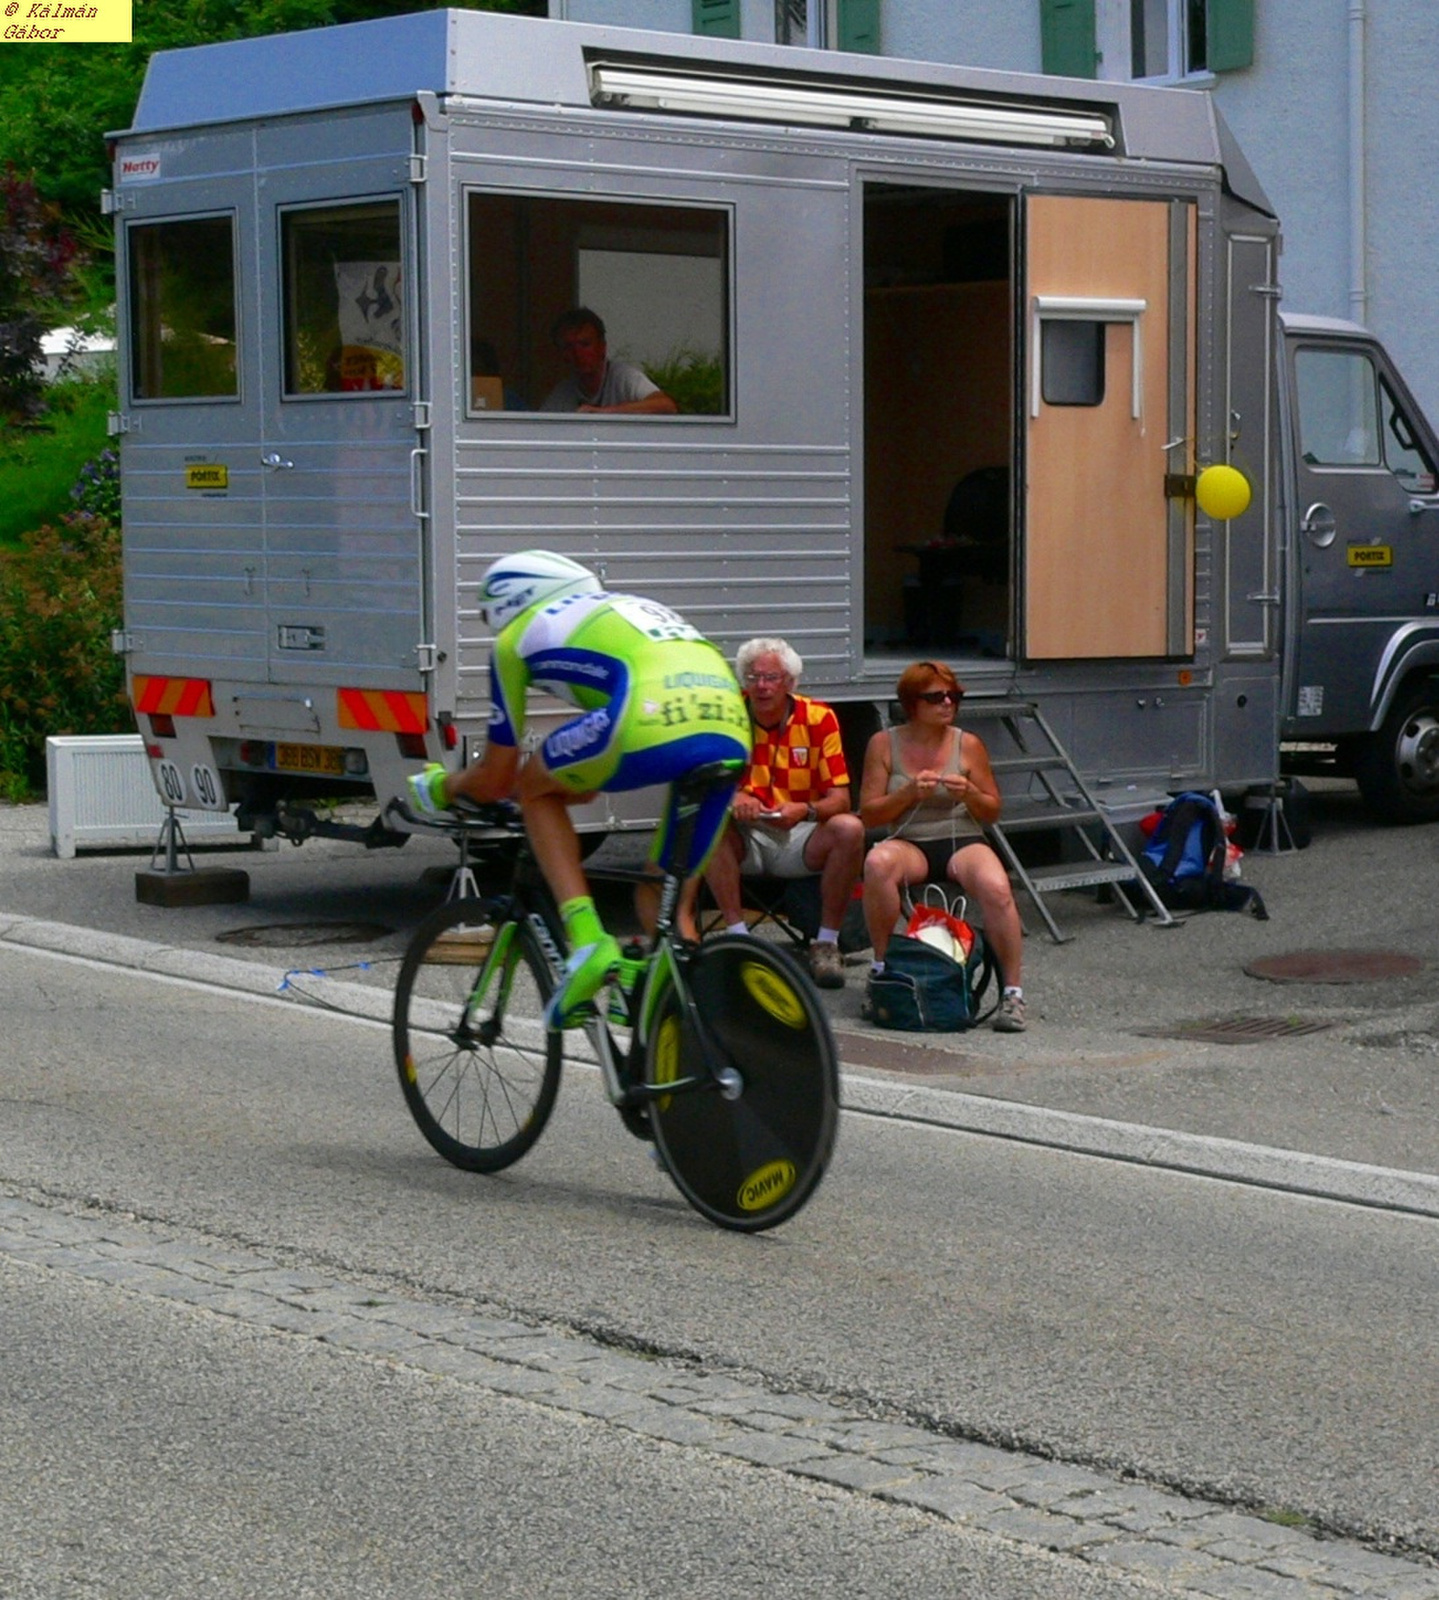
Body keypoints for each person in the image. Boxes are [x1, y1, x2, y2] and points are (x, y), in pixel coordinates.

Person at [408, 551, 749, 1028]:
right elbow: (587, 776)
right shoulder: (623, 608)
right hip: (731, 726)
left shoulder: (516, 638)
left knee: (534, 789)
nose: (492, 627)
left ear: (509, 601)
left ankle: (588, 941)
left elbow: (496, 777)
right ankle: (699, 1036)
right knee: (665, 904)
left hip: (646, 714)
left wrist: (443, 787)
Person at [859, 660, 1027, 1032]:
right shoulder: (884, 743)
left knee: (998, 887)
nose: (948, 703)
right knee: (877, 863)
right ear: (911, 703)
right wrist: (905, 792)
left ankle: (1013, 993)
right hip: (909, 839)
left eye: (955, 696)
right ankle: (882, 970)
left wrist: (969, 794)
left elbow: (992, 811)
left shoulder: (968, 744)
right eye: (936, 697)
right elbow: (869, 815)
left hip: (961, 836)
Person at [702, 639, 866, 991]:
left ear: (790, 682)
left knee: (849, 829)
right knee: (709, 822)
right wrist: (734, 797)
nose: (761, 686)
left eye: (771, 677)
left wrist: (806, 809)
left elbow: (840, 798)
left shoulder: (819, 718)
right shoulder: (727, 714)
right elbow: (699, 781)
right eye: (753, 676)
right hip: (745, 836)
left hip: (800, 833)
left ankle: (826, 943)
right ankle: (738, 938)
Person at [539, 307, 678, 415]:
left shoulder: (623, 377)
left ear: (602, 347)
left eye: (585, 344)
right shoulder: (563, 392)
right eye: (569, 347)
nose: (577, 353)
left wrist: (605, 413)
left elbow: (666, 406)